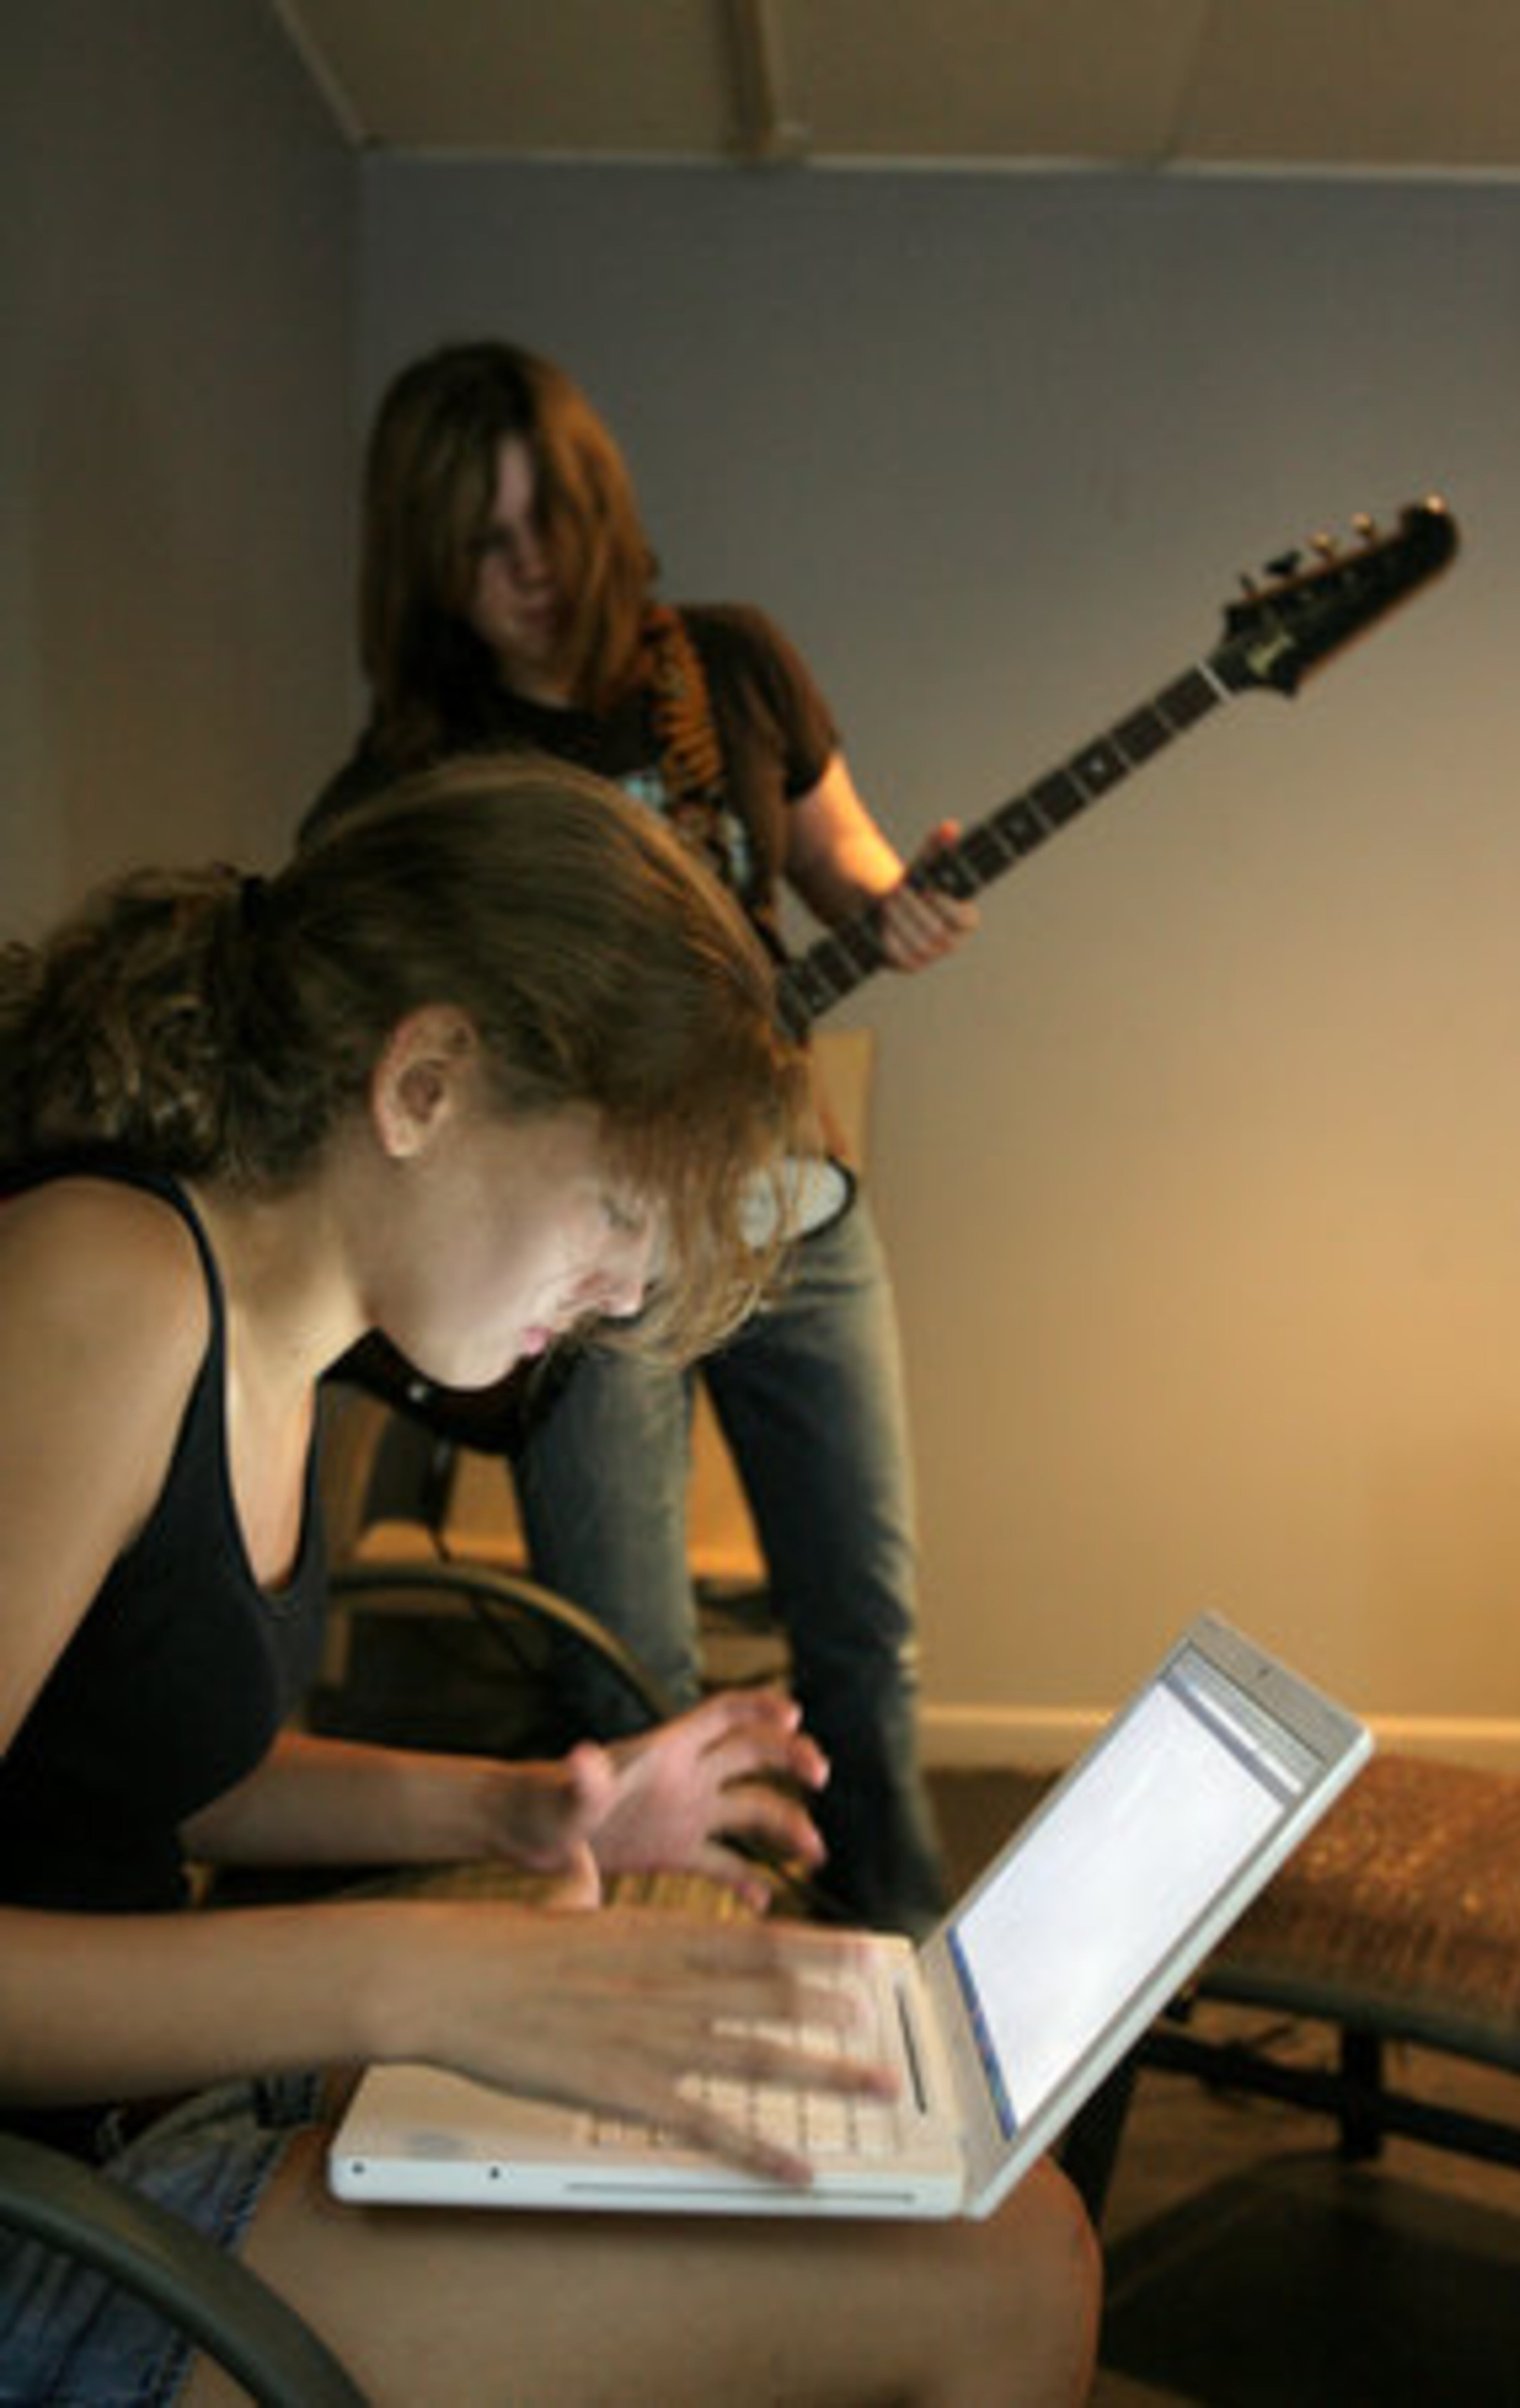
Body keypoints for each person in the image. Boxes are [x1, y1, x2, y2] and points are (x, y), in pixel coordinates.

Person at [0, 758, 1099, 2404]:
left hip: (125, 2139)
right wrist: (419, 1979)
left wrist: (521, 1819)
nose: (631, 1285)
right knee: (994, 2278)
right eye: (616, 1207)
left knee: (968, 2220)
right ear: (425, 1082)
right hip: (52, 2223)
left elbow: (139, 1778)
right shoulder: (113, 1285)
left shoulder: (285, 1345)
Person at [304, 339, 980, 1936]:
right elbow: (378, 1051)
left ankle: (908, 1960)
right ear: (425, 559)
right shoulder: (413, 780)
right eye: (480, 541)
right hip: (590, 1268)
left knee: (866, 1637)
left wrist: (905, 904)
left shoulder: (727, 669)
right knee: (627, 1670)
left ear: (602, 508)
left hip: (796, 1221)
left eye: (549, 522)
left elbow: (847, 871)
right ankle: (685, 1977)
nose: (528, 571)